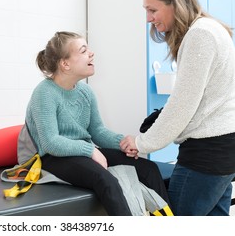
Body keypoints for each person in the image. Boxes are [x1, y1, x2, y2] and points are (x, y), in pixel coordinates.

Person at [120, 0, 235, 216]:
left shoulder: (200, 34)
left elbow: (182, 106)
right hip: (224, 150)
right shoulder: (212, 29)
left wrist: (141, 143)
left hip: (206, 154)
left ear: (174, 2)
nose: (149, 18)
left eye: (153, 10)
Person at [21, 31, 170, 216]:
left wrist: (122, 143)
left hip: (80, 152)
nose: (92, 54)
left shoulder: (86, 92)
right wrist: (91, 151)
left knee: (149, 169)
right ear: (65, 64)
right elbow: (51, 142)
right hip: (52, 157)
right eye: (83, 51)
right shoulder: (44, 92)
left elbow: (97, 131)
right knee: (105, 179)